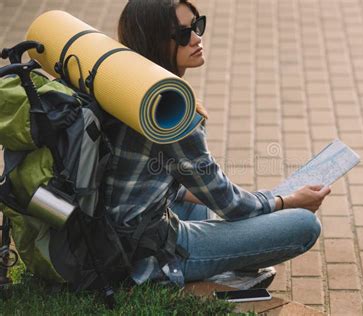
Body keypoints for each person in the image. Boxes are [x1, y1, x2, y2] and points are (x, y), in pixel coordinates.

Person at [104, 0, 331, 287]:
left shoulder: (117, 82)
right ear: (156, 41)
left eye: (198, 26)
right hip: (142, 251)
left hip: (105, 229)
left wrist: (213, 195)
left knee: (198, 206)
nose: (197, 39)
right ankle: (203, 270)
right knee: (303, 224)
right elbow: (232, 206)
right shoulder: (171, 111)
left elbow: (137, 178)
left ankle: (214, 260)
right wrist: (286, 201)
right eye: (184, 34)